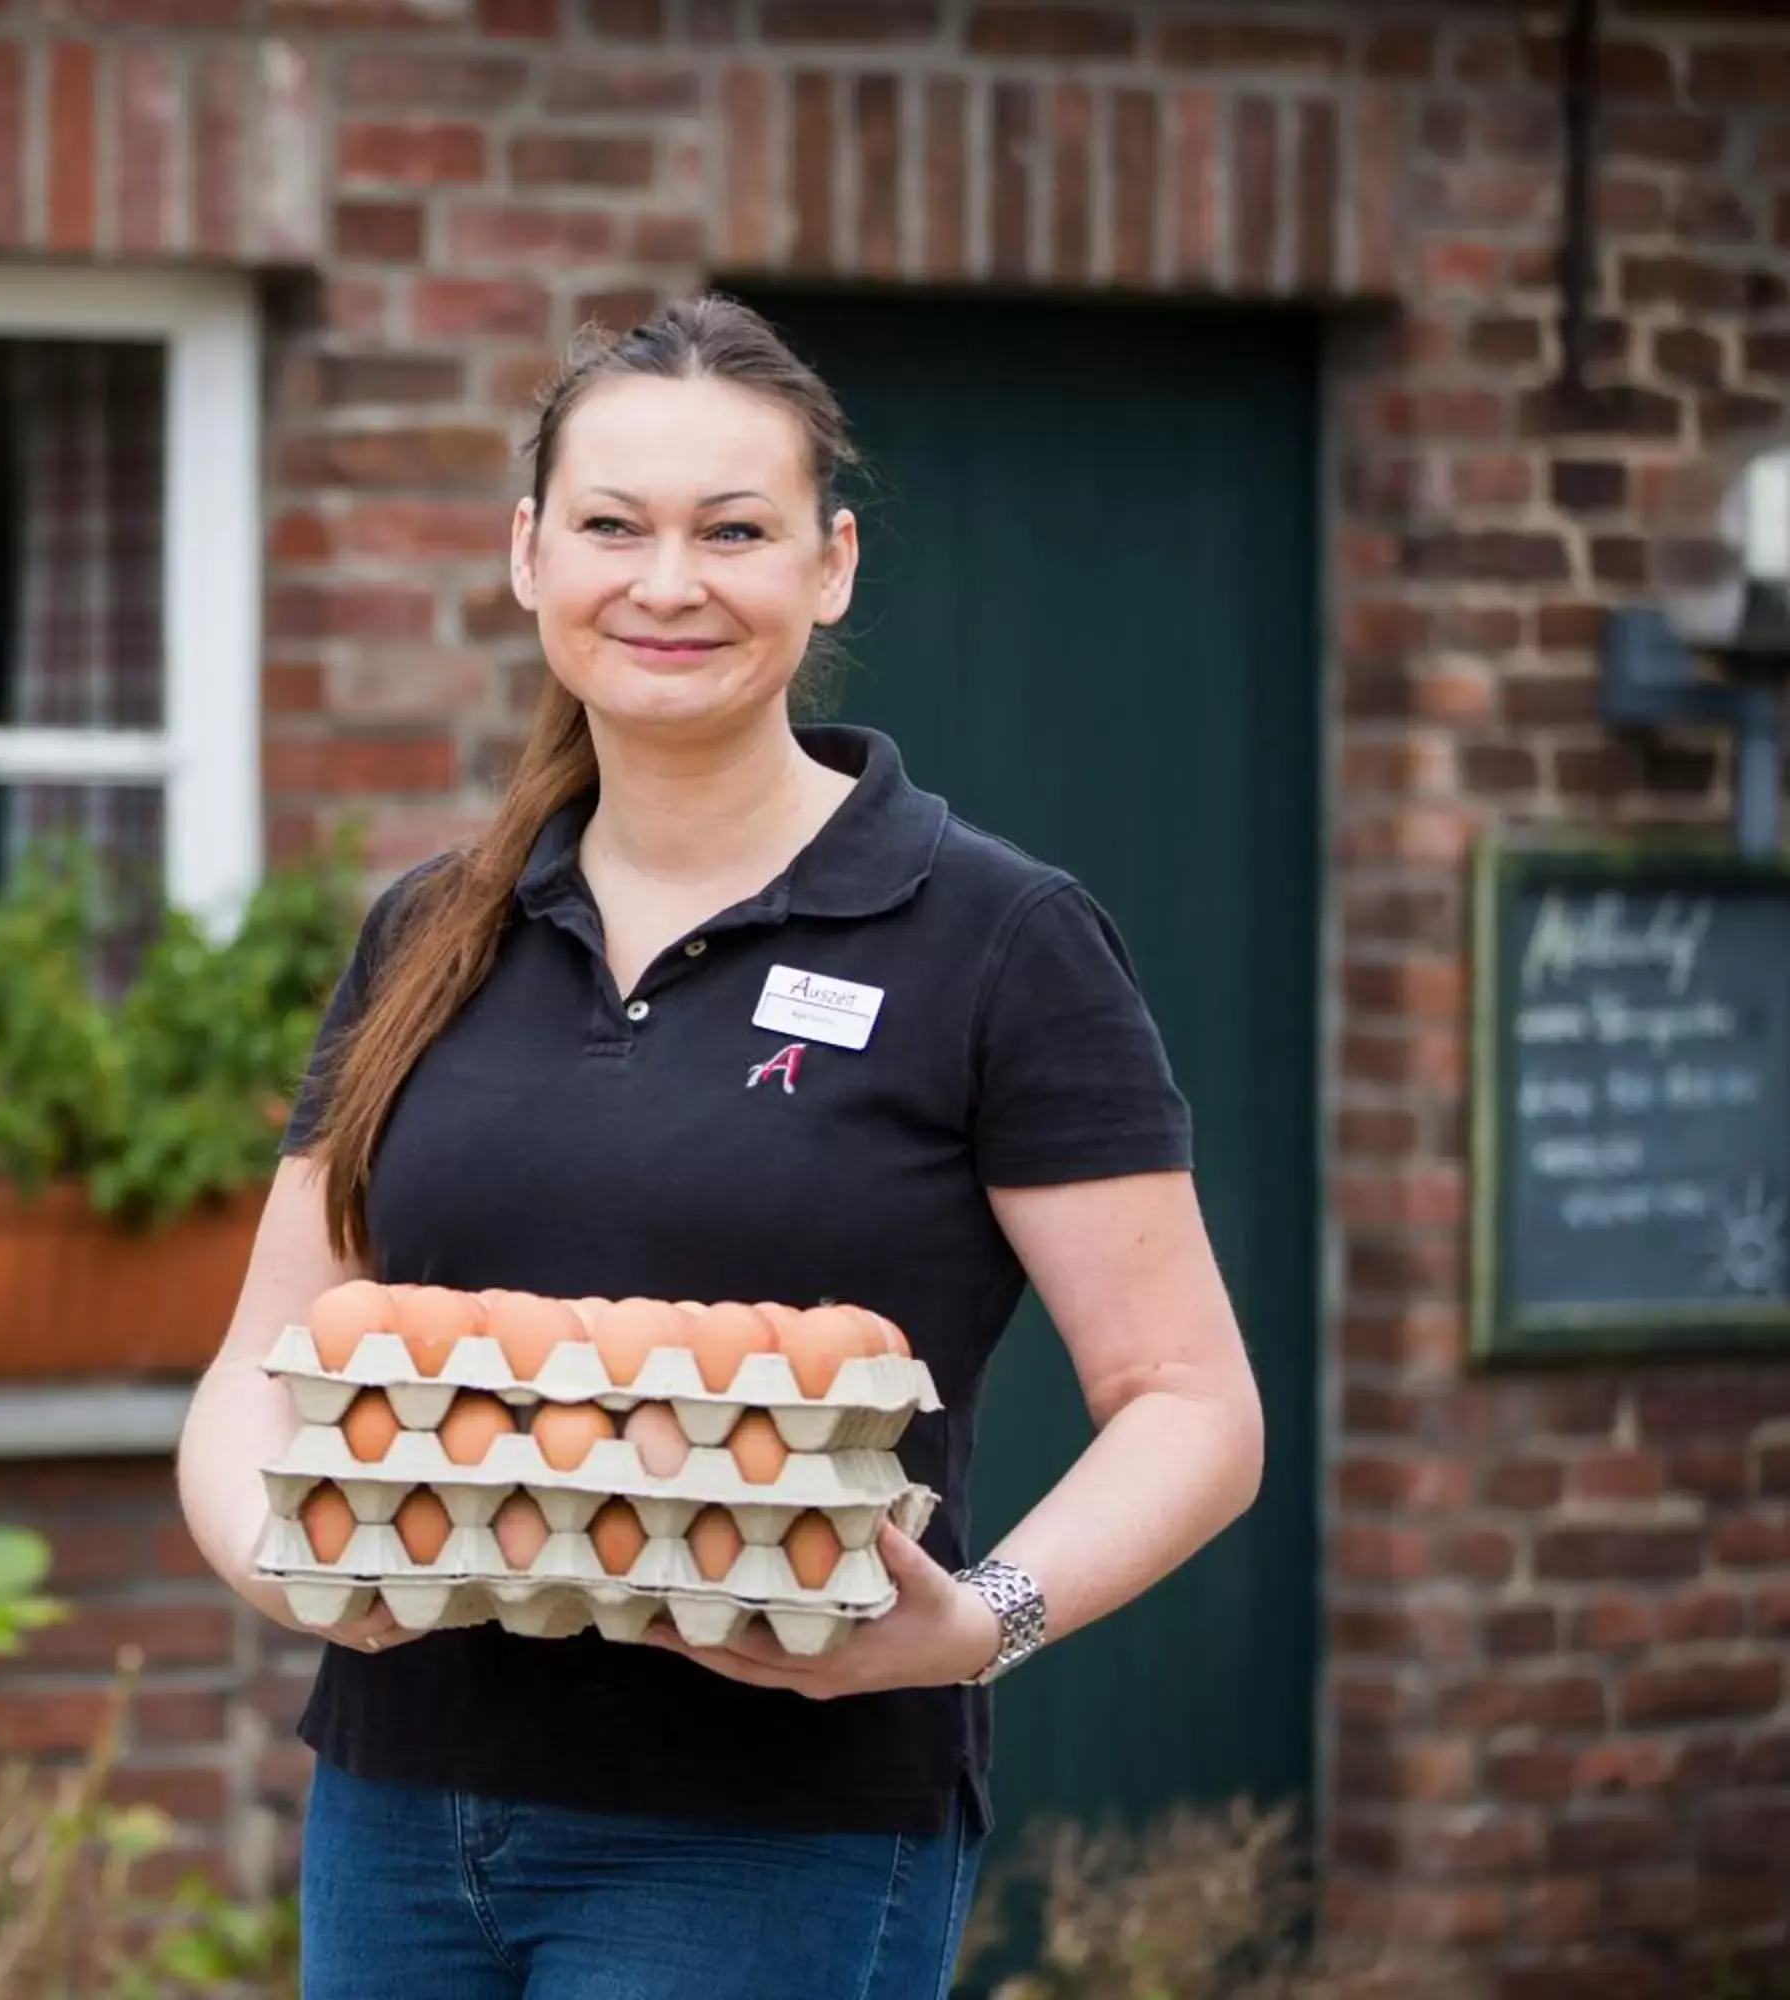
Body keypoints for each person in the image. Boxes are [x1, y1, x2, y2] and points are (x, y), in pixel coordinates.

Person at [173, 296, 1267, 2000]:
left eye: (732, 531)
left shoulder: (993, 935)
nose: (666, 582)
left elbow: (1193, 1405)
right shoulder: (432, 929)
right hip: (395, 1808)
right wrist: (286, 1565)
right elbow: (260, 1359)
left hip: (773, 1839)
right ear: (531, 555)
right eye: (612, 525)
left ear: (828, 567)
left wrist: (982, 1622)